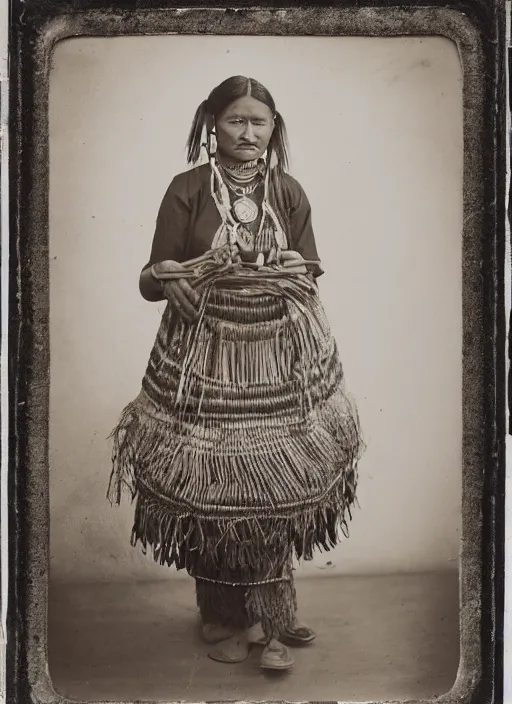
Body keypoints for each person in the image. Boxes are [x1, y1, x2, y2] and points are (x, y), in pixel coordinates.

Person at [109, 76, 363, 671]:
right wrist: (169, 274)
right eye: (235, 121)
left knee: (274, 490)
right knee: (216, 488)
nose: (248, 133)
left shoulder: (289, 190)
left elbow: (310, 265)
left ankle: (271, 619)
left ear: (275, 128)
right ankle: (222, 615)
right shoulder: (188, 189)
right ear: (211, 126)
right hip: (204, 364)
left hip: (278, 363)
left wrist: (296, 267)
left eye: (260, 122)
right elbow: (151, 278)